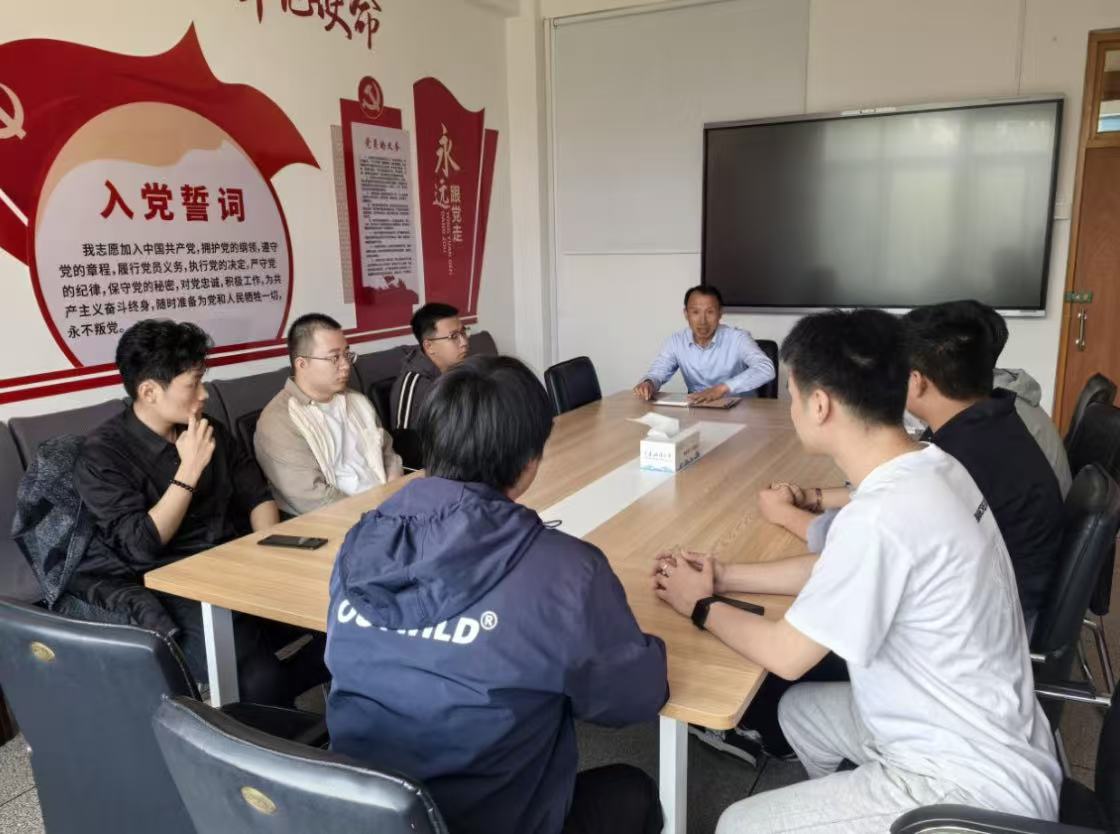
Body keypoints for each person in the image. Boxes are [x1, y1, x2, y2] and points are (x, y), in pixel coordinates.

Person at [654, 309, 1060, 834]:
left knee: (738, 824)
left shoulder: (880, 515)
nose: (792, 406)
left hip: (968, 785)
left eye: (793, 395)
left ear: (820, 404)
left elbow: (785, 654)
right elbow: (835, 567)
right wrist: (725, 576)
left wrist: (700, 604)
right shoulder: (935, 465)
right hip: (987, 730)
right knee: (799, 713)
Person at [326, 355, 667, 834]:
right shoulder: (567, 570)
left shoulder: (360, 543)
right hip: (488, 819)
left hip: (355, 814)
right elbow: (634, 699)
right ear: (530, 463)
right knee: (634, 791)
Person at [760, 302, 1065, 624]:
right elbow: (891, 489)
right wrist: (816, 497)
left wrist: (785, 515)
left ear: (917, 381)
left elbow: (866, 544)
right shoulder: (985, 420)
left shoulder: (960, 460)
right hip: (997, 597)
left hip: (998, 616)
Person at [74, 319, 327, 705]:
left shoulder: (207, 428)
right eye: (192, 384)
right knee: (258, 675)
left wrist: (266, 552)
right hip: (174, 584)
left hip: (237, 561)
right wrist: (188, 470)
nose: (204, 393)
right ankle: (264, 723)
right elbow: (140, 545)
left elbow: (256, 496)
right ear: (149, 391)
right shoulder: (102, 456)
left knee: (339, 618)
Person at [255, 313, 402, 515]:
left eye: (347, 355)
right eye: (334, 358)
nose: (346, 365)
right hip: (339, 521)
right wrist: (375, 516)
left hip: (388, 508)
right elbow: (313, 498)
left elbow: (388, 455)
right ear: (302, 364)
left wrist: (395, 496)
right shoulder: (279, 421)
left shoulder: (358, 401)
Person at [632, 285, 775, 403]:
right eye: (695, 312)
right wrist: (649, 383)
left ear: (720, 313)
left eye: (710, 312)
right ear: (686, 314)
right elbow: (658, 372)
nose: (702, 321)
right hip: (698, 409)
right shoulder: (677, 341)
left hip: (740, 409)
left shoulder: (738, 338)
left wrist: (722, 389)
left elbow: (766, 368)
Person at [389, 302, 470, 430]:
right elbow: (406, 440)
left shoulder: (462, 367)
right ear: (429, 346)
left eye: (463, 332)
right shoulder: (416, 387)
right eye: (454, 336)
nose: (464, 342)